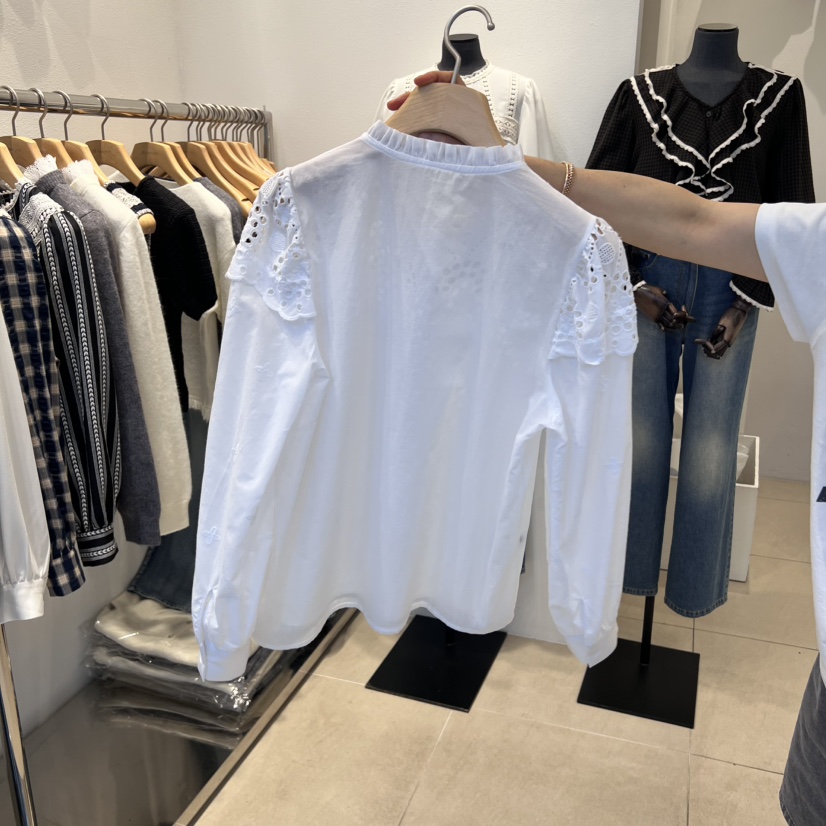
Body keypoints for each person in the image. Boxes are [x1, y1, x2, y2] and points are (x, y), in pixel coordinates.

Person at [388, 70, 826, 826]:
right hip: (647, 271)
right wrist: (506, 165)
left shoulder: (781, 98)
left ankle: (691, 594)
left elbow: (776, 193)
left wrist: (744, 309)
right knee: (641, 445)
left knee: (710, 453)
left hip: (736, 285)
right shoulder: (639, 93)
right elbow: (673, 214)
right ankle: (625, 590)